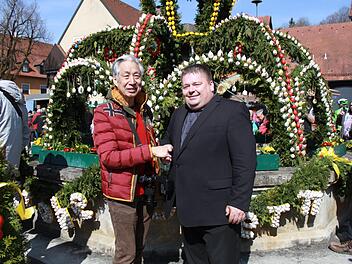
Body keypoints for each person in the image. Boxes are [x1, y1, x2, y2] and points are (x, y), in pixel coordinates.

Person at [161, 64, 256, 264]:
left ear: (211, 85)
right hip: (188, 210)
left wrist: (239, 202)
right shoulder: (178, 114)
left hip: (219, 212)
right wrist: (166, 150)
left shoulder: (232, 111)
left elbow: (245, 162)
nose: (191, 90)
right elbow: (168, 139)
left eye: (197, 84)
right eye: (186, 86)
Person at [93, 54, 172, 264]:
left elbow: (149, 144)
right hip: (122, 195)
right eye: (126, 75)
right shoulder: (104, 112)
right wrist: (150, 152)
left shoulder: (144, 110)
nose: (132, 81)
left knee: (139, 249)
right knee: (126, 253)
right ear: (115, 80)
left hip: (145, 190)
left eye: (136, 75)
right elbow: (108, 157)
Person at [0, 80, 30, 167]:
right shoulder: (20, 103)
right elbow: (26, 132)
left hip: (2, 149)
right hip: (14, 153)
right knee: (10, 177)